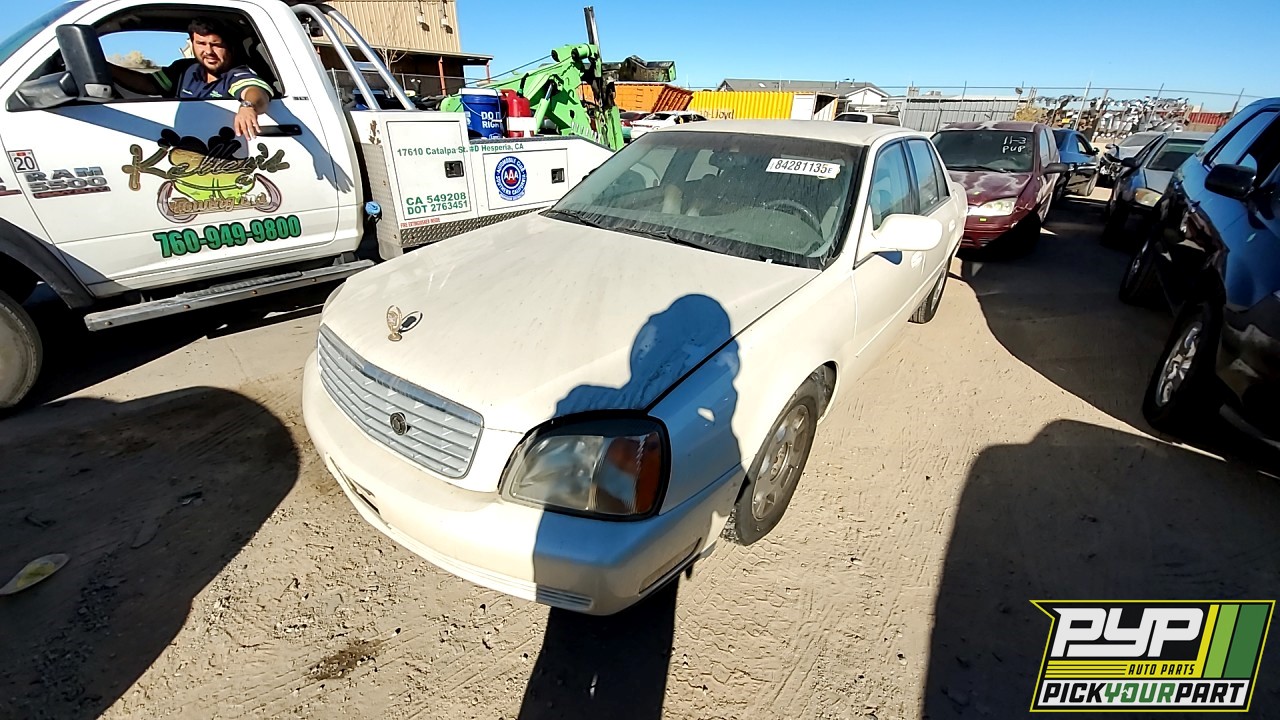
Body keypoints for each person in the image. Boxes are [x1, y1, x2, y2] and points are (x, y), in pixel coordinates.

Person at [112, 18, 272, 139]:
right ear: (192, 44)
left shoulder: (235, 73)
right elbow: (148, 84)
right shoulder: (183, 69)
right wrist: (106, 68)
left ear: (229, 47)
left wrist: (248, 106)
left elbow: (255, 91)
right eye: (201, 43)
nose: (208, 51)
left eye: (216, 44)